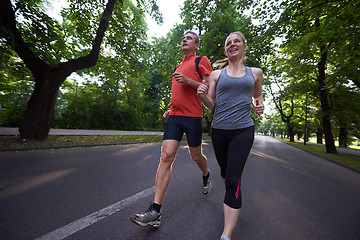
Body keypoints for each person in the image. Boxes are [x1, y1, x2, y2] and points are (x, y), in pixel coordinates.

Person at [131, 31, 213, 227]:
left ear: (197, 45)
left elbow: (207, 89)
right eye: (183, 38)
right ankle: (155, 211)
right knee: (166, 156)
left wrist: (188, 81)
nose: (184, 39)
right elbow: (178, 92)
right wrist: (172, 108)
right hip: (175, 117)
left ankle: (206, 174)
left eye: (189, 38)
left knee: (195, 156)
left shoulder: (201, 60)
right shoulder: (178, 65)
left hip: (193, 117)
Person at [197, 31, 264, 240]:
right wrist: (201, 95)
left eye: (236, 41)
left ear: (244, 46)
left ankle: (226, 234)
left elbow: (258, 95)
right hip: (219, 131)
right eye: (228, 43)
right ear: (226, 49)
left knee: (234, 180)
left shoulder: (255, 73)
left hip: (243, 130)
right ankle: (227, 182)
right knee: (226, 174)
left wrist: (259, 105)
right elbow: (210, 104)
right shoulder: (217, 75)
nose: (232, 44)